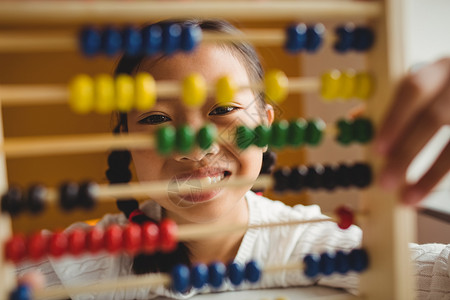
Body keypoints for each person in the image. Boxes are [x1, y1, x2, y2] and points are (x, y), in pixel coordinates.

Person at [15, 19, 449, 300]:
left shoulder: (299, 240)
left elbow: (435, 272)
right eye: (155, 118)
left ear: (267, 124)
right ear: (126, 140)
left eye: (222, 110)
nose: (194, 147)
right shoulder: (87, 260)